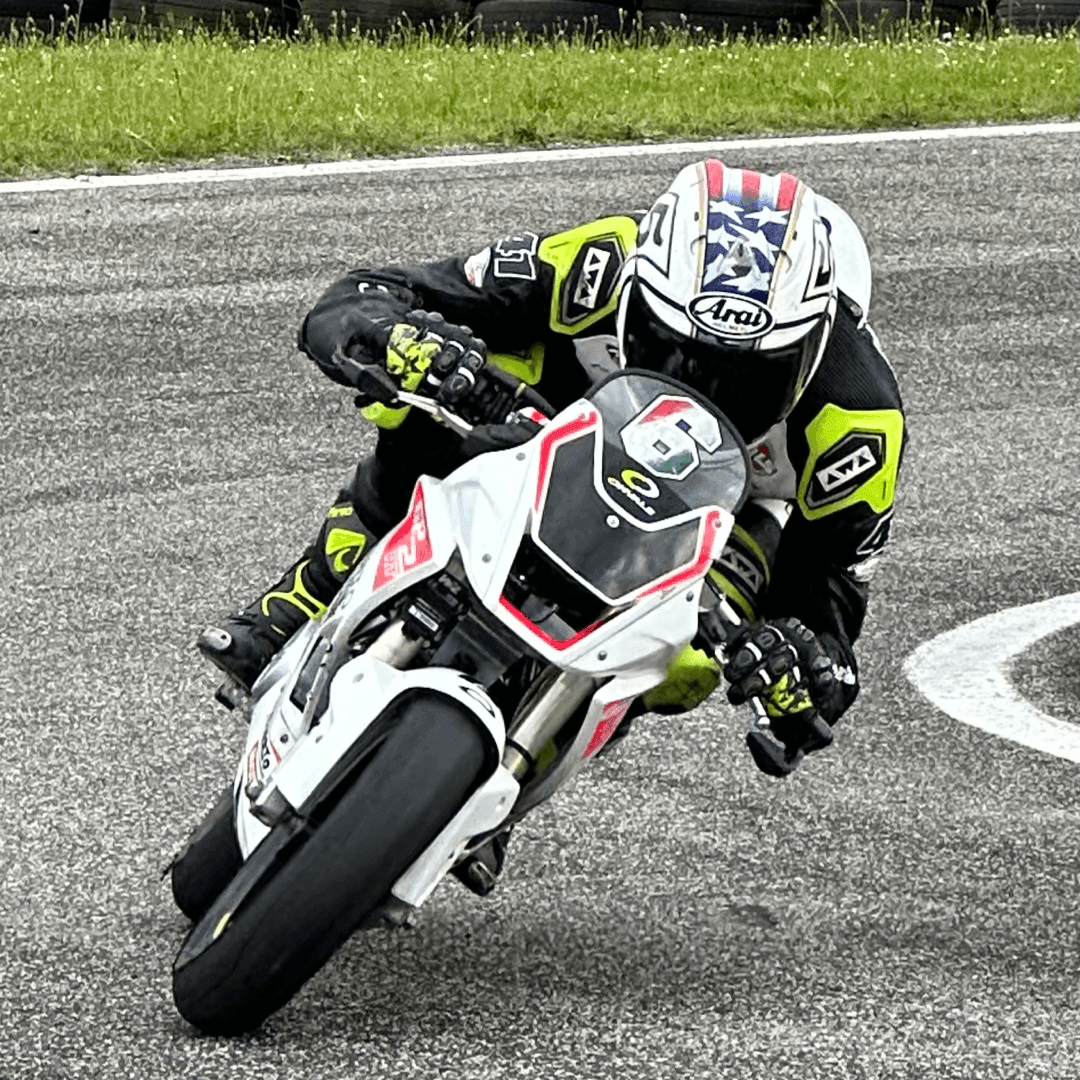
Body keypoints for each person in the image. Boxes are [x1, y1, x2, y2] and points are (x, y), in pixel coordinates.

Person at [198, 159, 905, 869]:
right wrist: (400, 342)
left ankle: (520, 764)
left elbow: (834, 609)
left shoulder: (858, 424)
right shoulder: (597, 262)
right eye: (670, 349)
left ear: (811, 346)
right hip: (553, 427)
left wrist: (795, 664)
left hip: (719, 524)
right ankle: (301, 597)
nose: (701, 385)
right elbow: (375, 291)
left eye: (748, 376)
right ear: (640, 293)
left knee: (688, 660)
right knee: (423, 399)